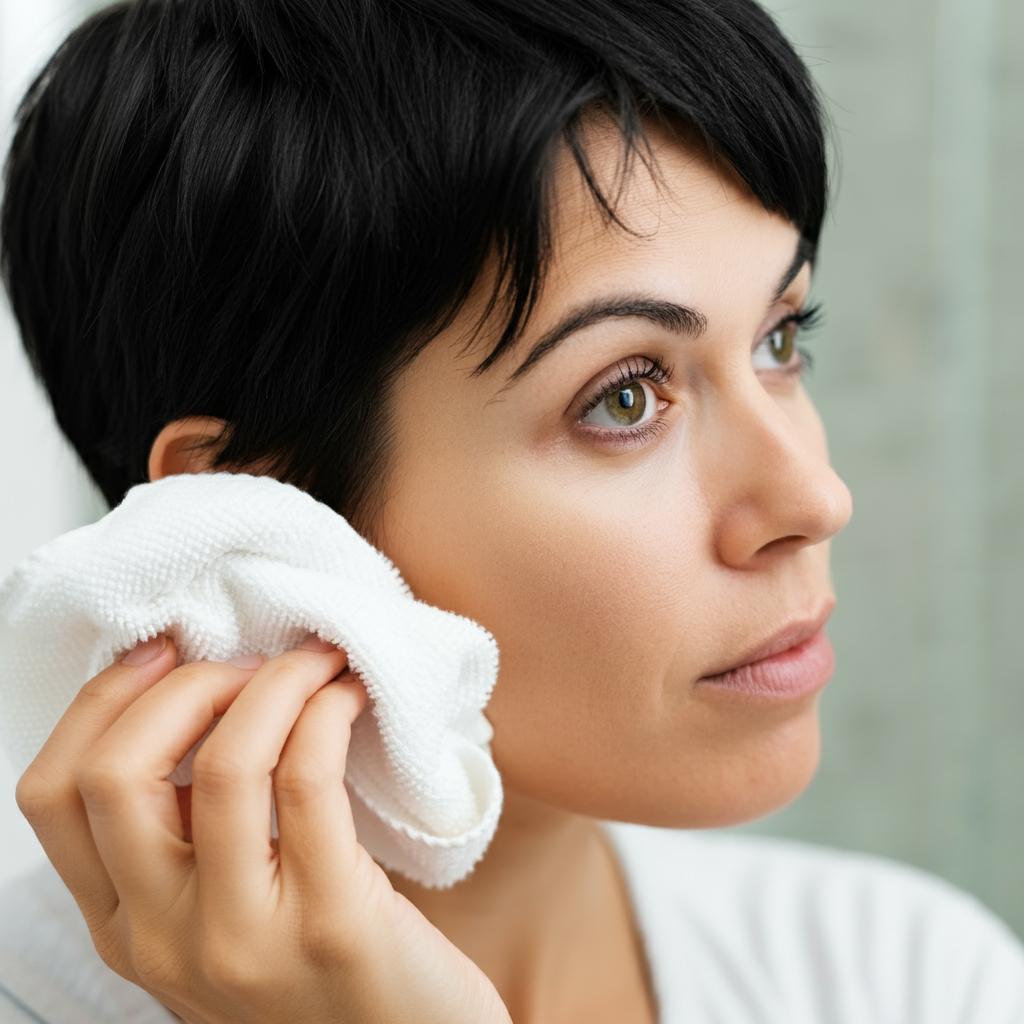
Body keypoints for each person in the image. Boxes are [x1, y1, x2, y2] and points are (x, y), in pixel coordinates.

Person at [1, 0, 1022, 1021]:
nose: (812, 497)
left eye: (780, 340)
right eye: (624, 396)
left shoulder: (902, 975)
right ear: (253, 514)